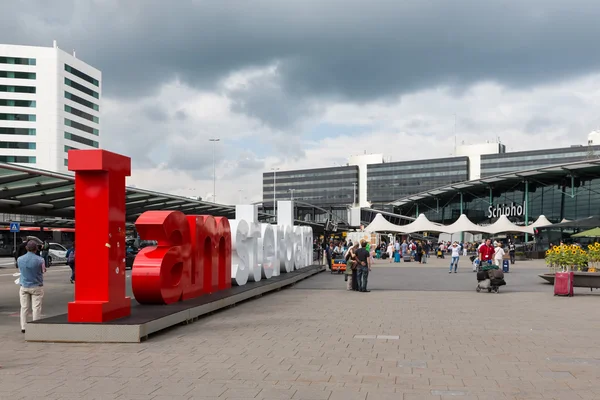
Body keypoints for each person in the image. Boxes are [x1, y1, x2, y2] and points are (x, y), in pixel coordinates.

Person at [17, 240, 46, 334]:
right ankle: (35, 326)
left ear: (26, 248)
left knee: (24, 307)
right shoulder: (40, 260)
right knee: (36, 307)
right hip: (36, 286)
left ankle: (23, 327)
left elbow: (20, 269)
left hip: (24, 285)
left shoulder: (20, 259)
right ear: (36, 249)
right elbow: (43, 270)